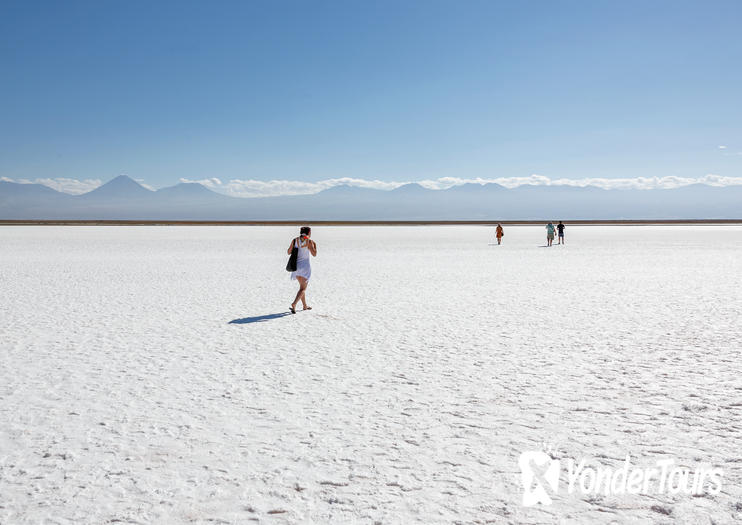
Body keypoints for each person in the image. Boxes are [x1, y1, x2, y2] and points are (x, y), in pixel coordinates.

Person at [287, 226, 317, 313]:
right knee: (303, 289)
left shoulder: (295, 240)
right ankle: (294, 304)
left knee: (301, 288)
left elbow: (288, 252)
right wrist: (314, 246)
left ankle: (304, 306)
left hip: (296, 267)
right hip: (305, 267)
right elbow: (314, 254)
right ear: (309, 233)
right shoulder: (309, 241)